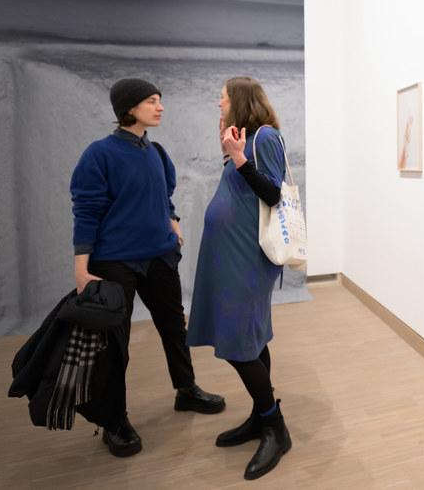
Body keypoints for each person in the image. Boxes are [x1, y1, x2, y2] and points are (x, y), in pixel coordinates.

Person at [70, 77, 225, 458]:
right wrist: (81, 267)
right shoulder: (99, 154)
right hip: (115, 261)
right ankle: (114, 420)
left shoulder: (156, 152)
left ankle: (186, 390)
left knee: (174, 327)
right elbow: (87, 210)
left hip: (158, 256)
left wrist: (171, 220)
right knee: (115, 345)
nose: (160, 107)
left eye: (160, 100)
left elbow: (163, 194)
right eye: (152, 101)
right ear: (129, 108)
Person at [186, 76, 292, 481]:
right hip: (230, 254)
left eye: (224, 97)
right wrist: (232, 153)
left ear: (241, 101)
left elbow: (273, 193)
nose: (219, 102)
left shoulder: (266, 137)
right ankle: (260, 417)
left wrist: (240, 159)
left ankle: (276, 428)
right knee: (252, 338)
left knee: (239, 342)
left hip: (247, 257)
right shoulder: (243, 138)